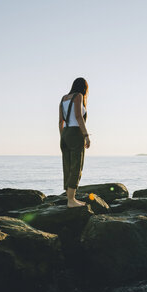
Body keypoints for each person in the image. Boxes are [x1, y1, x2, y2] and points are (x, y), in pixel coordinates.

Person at [59, 77, 91, 207]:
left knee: (67, 165)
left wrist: (63, 136)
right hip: (75, 132)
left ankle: (70, 198)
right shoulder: (78, 96)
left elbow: (60, 121)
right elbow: (78, 117)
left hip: (65, 133)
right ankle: (71, 200)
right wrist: (86, 135)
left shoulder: (63, 98)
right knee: (76, 166)